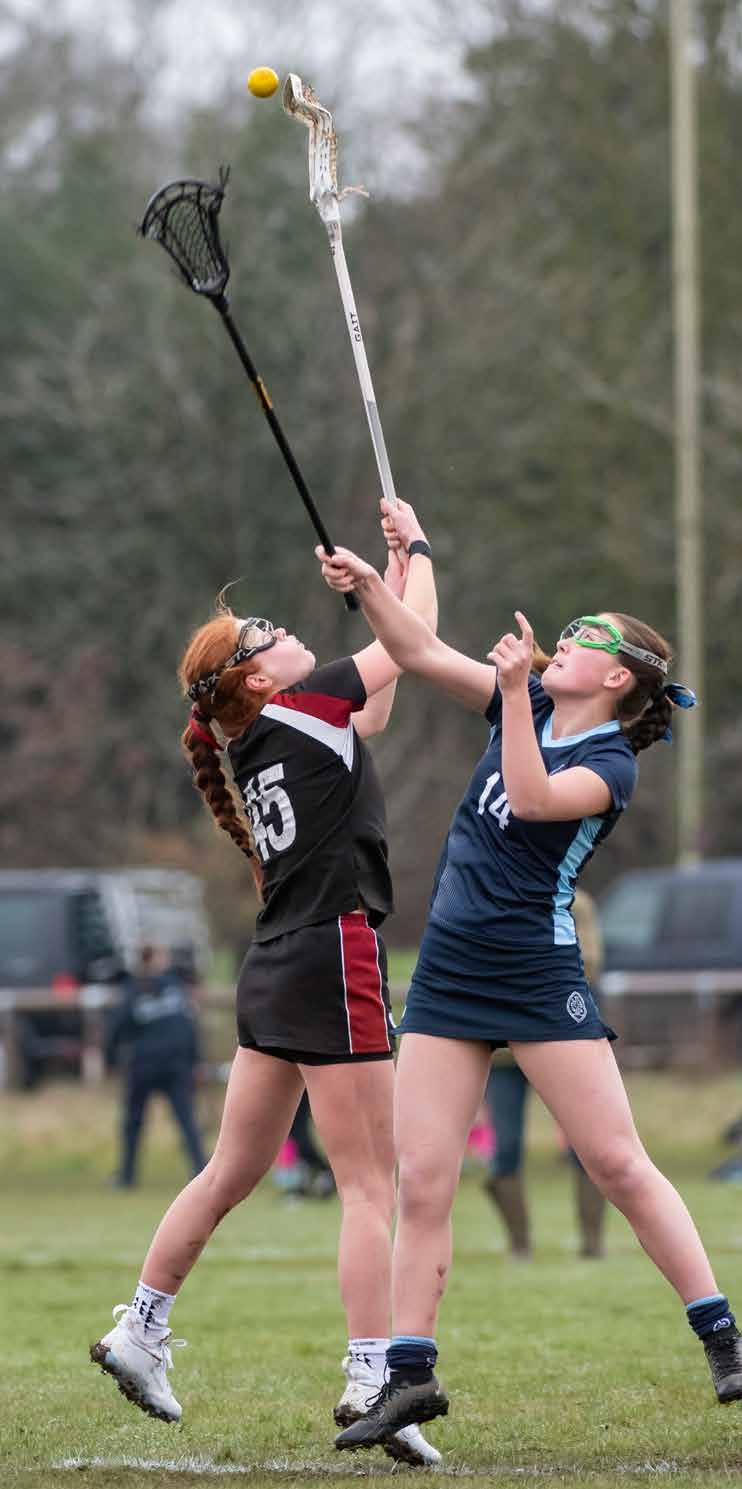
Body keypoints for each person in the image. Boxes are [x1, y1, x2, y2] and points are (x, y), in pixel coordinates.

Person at [317, 498, 742, 1454]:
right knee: (423, 1179)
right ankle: (410, 1375)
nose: (562, 640)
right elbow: (417, 650)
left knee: (616, 1162)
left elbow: (530, 797)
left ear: (616, 677)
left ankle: (720, 1332)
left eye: (583, 638)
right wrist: (386, 572)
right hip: (449, 970)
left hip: (535, 971)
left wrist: (517, 693)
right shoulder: (519, 702)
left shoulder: (609, 761)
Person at [90, 526, 443, 1469]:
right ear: (256, 678)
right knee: (368, 1183)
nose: (286, 631)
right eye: (268, 634)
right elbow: (414, 645)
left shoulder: (272, 732)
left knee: (231, 1169)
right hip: (333, 950)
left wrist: (383, 580)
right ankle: (371, 1377)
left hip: (278, 958)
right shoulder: (309, 703)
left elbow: (384, 692)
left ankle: (140, 1327)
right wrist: (415, 553)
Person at [483, 887, 607, 1261]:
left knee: (588, 1144)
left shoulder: (575, 902)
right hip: (504, 1052)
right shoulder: (485, 899)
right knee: (506, 1147)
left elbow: (588, 965)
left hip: (558, 1042)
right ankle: (519, 1245)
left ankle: (592, 1243)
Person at [106, 944, 207, 1188]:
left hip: (147, 1065)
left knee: (137, 1123)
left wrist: (110, 1059)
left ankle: (127, 1177)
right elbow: (189, 1029)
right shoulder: (174, 988)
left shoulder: (135, 989)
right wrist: (195, 1061)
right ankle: (201, 1172)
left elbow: (116, 1029)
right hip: (168, 1065)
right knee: (184, 1121)